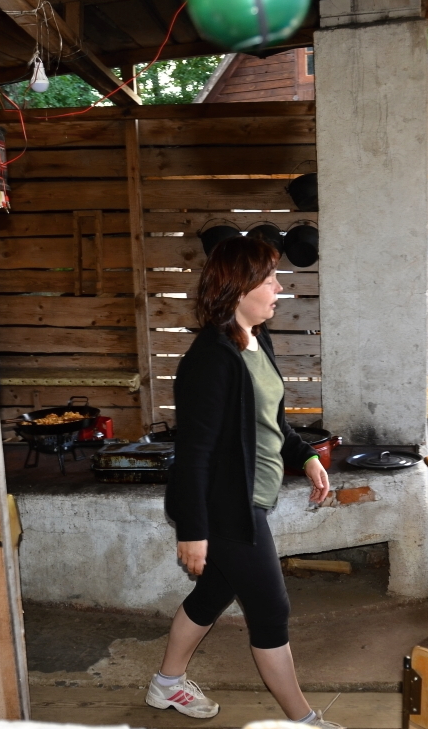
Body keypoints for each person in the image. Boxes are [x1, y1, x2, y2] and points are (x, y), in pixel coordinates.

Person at [146, 234, 339, 728]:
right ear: (239, 288)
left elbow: (271, 422)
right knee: (271, 610)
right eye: (269, 280)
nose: (279, 288)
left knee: (213, 594)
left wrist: (307, 457)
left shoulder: (256, 340)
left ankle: (166, 684)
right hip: (227, 507)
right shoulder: (210, 359)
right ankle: (303, 721)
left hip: (248, 499)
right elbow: (194, 454)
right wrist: (193, 530)